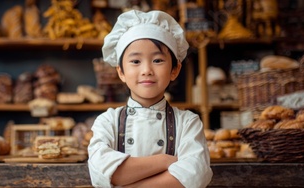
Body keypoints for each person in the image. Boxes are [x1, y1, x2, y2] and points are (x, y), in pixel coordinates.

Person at [87, 10, 213, 188]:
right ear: (121, 72)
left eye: (158, 60)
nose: (146, 70)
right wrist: (164, 161)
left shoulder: (188, 123)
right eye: (136, 62)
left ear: (175, 70)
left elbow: (195, 175)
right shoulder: (108, 121)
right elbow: (103, 172)